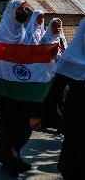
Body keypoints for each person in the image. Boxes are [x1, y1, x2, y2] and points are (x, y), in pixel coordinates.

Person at [0, 0, 41, 177]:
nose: (24, 12)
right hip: (5, 90)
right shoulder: (2, 35)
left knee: (23, 128)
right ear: (12, 12)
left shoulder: (24, 34)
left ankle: (3, 151)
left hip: (21, 88)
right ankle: (12, 162)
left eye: (26, 9)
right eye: (21, 10)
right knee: (8, 125)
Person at [52, 17, 85, 179]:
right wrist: (40, 114)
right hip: (78, 106)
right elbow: (56, 86)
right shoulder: (72, 59)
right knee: (75, 144)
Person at [40, 18, 68, 131]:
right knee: (48, 97)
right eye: (55, 26)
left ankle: (60, 124)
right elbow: (40, 55)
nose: (57, 29)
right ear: (50, 27)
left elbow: (66, 53)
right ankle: (46, 122)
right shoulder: (45, 39)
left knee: (61, 97)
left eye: (59, 26)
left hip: (60, 73)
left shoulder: (62, 39)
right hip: (47, 72)